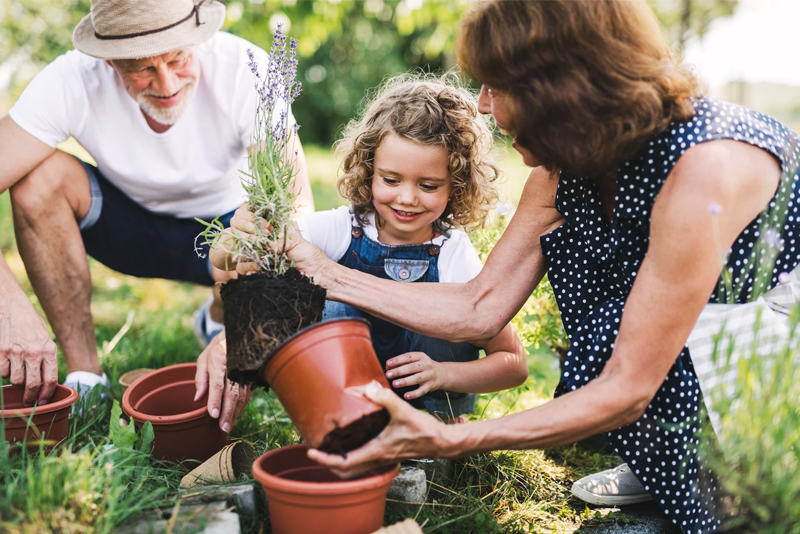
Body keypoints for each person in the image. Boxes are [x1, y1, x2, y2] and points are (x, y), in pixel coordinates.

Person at [199, 1, 800, 532]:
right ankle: (664, 466)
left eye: (496, 86)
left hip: (771, 349)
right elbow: (480, 305)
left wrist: (452, 437)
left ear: (564, 88)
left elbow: (626, 389)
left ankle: (723, 471)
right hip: (688, 328)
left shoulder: (702, 173)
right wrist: (291, 289)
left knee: (748, 512)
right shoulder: (564, 168)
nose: (483, 107)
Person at [0, 0, 313, 412]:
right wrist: (9, 305)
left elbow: (296, 211)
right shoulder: (71, 78)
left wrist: (241, 331)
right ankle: (86, 377)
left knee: (264, 231)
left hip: (223, 233)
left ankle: (217, 318)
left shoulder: (244, 69)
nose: (166, 84)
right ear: (110, 61)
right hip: (124, 227)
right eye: (142, 68)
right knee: (37, 180)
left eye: (178, 58)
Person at [208, 75, 528, 421]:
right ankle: (336, 420)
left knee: (449, 316)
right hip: (346, 407)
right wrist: (239, 233)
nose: (407, 198)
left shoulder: (453, 252)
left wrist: (445, 374)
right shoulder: (341, 229)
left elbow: (514, 364)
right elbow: (224, 257)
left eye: (429, 185)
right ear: (369, 171)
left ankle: (442, 425)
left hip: (426, 412)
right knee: (329, 308)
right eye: (391, 180)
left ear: (457, 185)